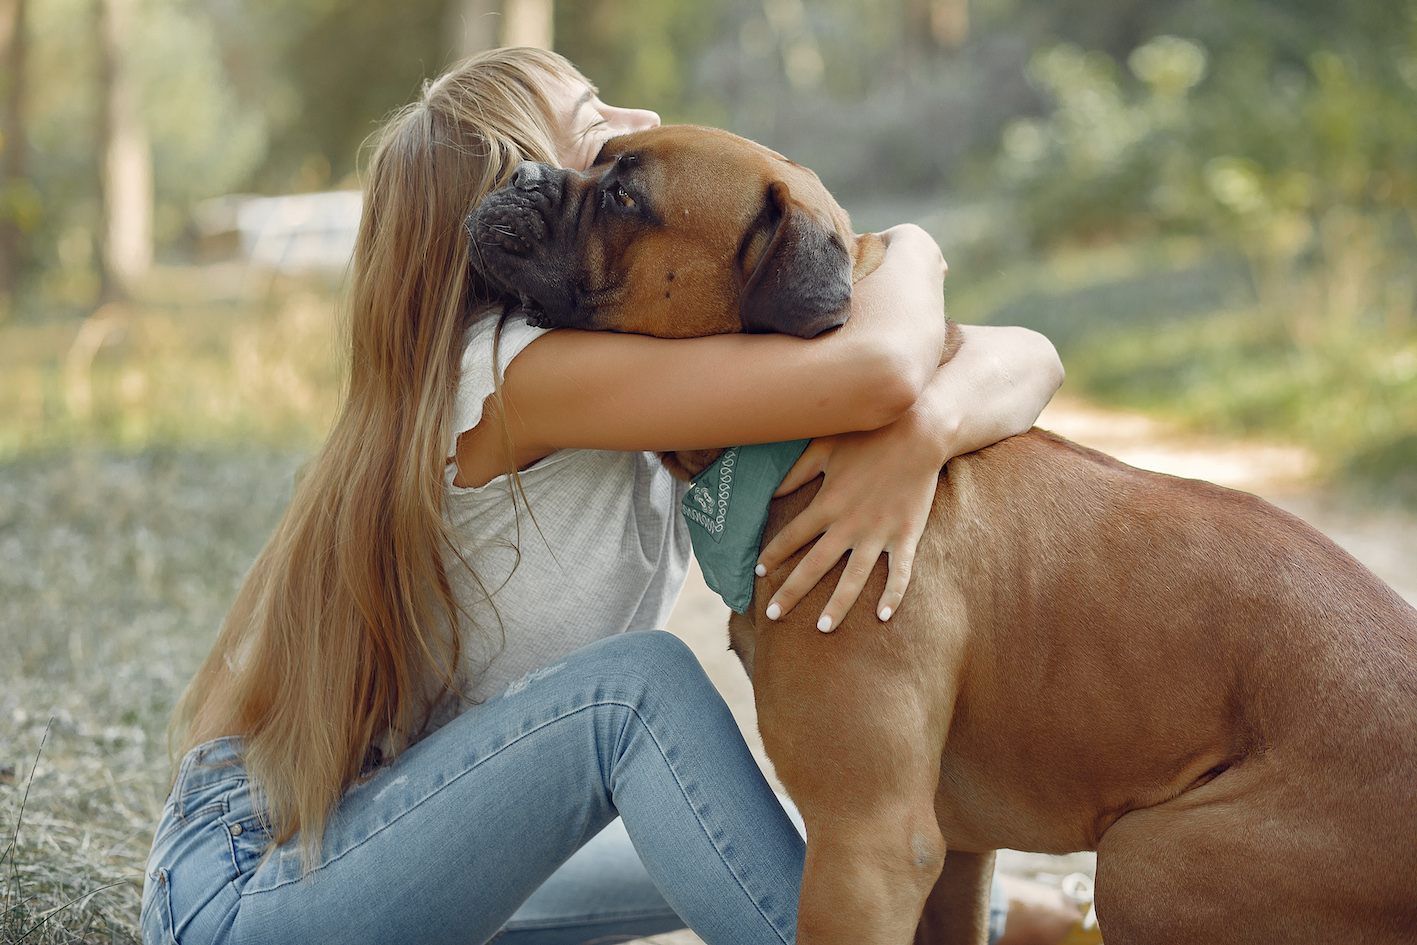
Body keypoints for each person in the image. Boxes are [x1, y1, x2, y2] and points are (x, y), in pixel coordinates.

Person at [141, 47, 1070, 945]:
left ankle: (1020, 918)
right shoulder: (515, 375)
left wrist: (929, 428)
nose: (645, 126)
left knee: (782, 823)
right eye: (596, 131)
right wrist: (911, 247)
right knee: (637, 696)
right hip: (246, 887)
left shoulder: (642, 349)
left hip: (388, 838)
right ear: (517, 191)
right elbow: (880, 364)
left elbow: (1028, 354)